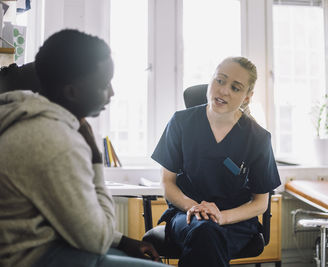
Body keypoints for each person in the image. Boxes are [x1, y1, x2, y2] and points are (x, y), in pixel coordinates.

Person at [0, 29, 166, 267]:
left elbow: (68, 216)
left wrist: (122, 241)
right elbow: (95, 241)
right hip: (30, 259)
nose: (112, 93)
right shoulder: (57, 140)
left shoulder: (26, 117)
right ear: (71, 91)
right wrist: (96, 158)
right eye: (103, 84)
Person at [151, 56, 281, 267]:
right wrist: (195, 208)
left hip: (235, 221)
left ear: (247, 97)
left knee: (207, 234)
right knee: (204, 231)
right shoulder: (180, 123)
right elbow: (167, 183)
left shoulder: (257, 138)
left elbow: (260, 203)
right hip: (186, 215)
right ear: (211, 80)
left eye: (236, 88)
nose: (224, 91)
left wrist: (221, 217)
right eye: (220, 81)